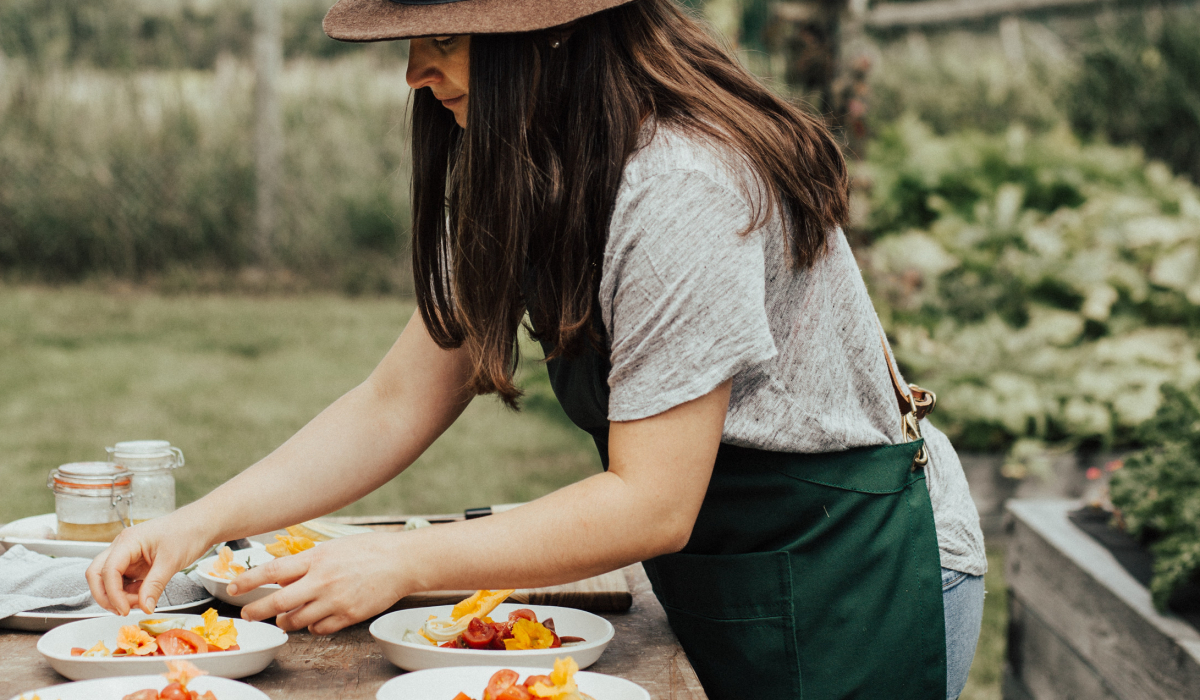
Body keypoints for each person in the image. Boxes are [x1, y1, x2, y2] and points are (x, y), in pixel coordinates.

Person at [87, 1, 987, 697]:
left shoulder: (682, 184)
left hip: (856, 570)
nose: (414, 71)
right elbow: (397, 399)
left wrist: (403, 559)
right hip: (742, 561)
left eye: (443, 32)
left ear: (550, 32)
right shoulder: (534, 161)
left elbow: (651, 503)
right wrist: (199, 521)